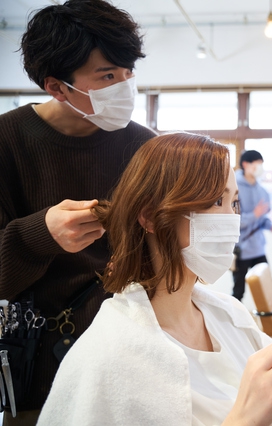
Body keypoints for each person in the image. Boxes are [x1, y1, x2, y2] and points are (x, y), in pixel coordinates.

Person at [37, 133, 272, 426]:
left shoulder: (229, 318)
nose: (230, 218)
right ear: (150, 216)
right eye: (214, 201)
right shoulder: (108, 357)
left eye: (233, 203)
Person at [0, 0, 155, 422]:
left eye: (128, 73)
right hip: (41, 364)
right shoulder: (7, 142)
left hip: (133, 354)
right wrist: (39, 235)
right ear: (56, 87)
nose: (124, 86)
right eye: (107, 76)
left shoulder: (145, 147)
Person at [232, 150, 272, 301]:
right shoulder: (234, 187)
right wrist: (254, 215)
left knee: (267, 288)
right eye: (257, 164)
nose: (260, 168)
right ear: (245, 164)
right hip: (242, 249)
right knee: (238, 291)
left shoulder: (261, 190)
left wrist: (271, 226)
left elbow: (263, 219)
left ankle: (269, 321)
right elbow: (234, 221)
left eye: (261, 164)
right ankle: (234, 323)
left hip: (258, 248)